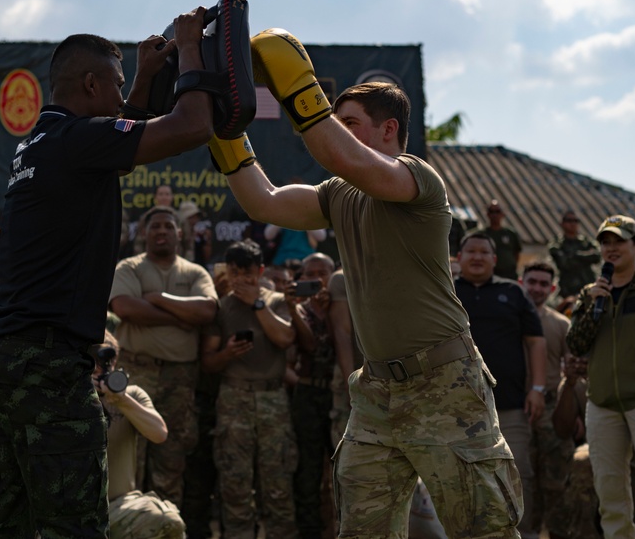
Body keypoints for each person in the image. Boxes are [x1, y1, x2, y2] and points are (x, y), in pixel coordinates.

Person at [214, 48, 522, 536]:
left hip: (444, 382)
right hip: (376, 391)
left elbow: (338, 154)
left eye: (350, 122)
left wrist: (294, 80)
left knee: (483, 529)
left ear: (388, 131)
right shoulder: (337, 194)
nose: (338, 131)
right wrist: (223, 130)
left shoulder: (419, 179)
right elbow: (263, 200)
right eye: (336, 122)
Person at [0, 9, 215, 537]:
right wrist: (192, 49)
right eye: (118, 82)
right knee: (75, 528)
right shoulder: (78, 142)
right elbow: (193, 125)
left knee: (4, 527)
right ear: (90, 83)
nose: (123, 92)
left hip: (3, 361)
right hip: (49, 367)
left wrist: (149, 78)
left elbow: (120, 140)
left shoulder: (43, 142)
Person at [566, 215, 635, 538]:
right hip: (602, 406)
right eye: (605, 242)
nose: (610, 248)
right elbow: (576, 344)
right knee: (610, 497)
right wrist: (596, 302)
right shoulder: (590, 293)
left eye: (619, 241)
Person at [108, 205, 218, 505]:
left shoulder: (195, 272)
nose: (161, 231)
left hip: (179, 378)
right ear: (143, 233)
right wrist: (180, 317)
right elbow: (125, 308)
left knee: (171, 459)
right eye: (155, 226)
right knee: (130, 458)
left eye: (168, 227)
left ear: (180, 234)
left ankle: (165, 527)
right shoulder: (128, 267)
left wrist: (156, 299)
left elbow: (207, 310)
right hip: (135, 372)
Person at [201, 239, 298, 538]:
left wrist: (258, 303)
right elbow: (208, 362)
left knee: (278, 484)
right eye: (234, 272)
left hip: (273, 399)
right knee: (235, 485)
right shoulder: (221, 308)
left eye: (247, 273)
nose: (240, 280)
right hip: (234, 399)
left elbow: (285, 339)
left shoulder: (276, 300)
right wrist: (227, 354)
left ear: (260, 271)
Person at [455, 232, 547, 539]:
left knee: (518, 472)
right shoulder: (446, 292)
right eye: (471, 252)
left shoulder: (514, 292)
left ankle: (526, 533)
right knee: (460, 478)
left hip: (510, 404)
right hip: (454, 408)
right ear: (459, 258)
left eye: (484, 252)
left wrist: (537, 389)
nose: (478, 257)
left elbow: (535, 342)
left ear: (495, 260)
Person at [93, 333, 186, 538]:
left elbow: (159, 433)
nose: (97, 367)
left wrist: (122, 400)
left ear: (114, 361)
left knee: (168, 522)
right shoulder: (61, 396)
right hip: (66, 510)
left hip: (118, 506)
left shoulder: (131, 395)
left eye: (104, 361)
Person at [519, 261, 575, 537]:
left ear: (552, 288)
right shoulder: (509, 320)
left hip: (553, 411)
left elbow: (574, 373)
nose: (537, 288)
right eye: (532, 282)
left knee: (557, 483)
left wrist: (576, 414)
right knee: (521, 483)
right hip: (515, 412)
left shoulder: (562, 325)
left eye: (543, 284)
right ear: (521, 283)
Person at [287, 252, 337, 539]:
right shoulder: (300, 309)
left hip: (337, 394)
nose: (317, 279)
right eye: (310, 274)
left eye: (323, 272)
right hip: (307, 393)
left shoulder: (343, 307)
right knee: (307, 469)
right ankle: (309, 531)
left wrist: (331, 311)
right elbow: (308, 345)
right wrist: (293, 310)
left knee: (341, 469)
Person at [548, 210, 601, 299]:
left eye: (575, 221)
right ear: (562, 223)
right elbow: (564, 263)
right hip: (567, 291)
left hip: (588, 288)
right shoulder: (557, 244)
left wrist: (575, 256)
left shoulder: (586, 242)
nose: (572, 224)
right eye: (569, 220)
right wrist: (586, 258)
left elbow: (597, 256)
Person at [480, 200, 523, 280]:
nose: (494, 215)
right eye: (491, 211)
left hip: (509, 274)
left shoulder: (510, 233)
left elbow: (516, 253)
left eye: (497, 211)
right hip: (489, 275)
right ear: (487, 214)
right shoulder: (482, 234)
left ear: (503, 214)